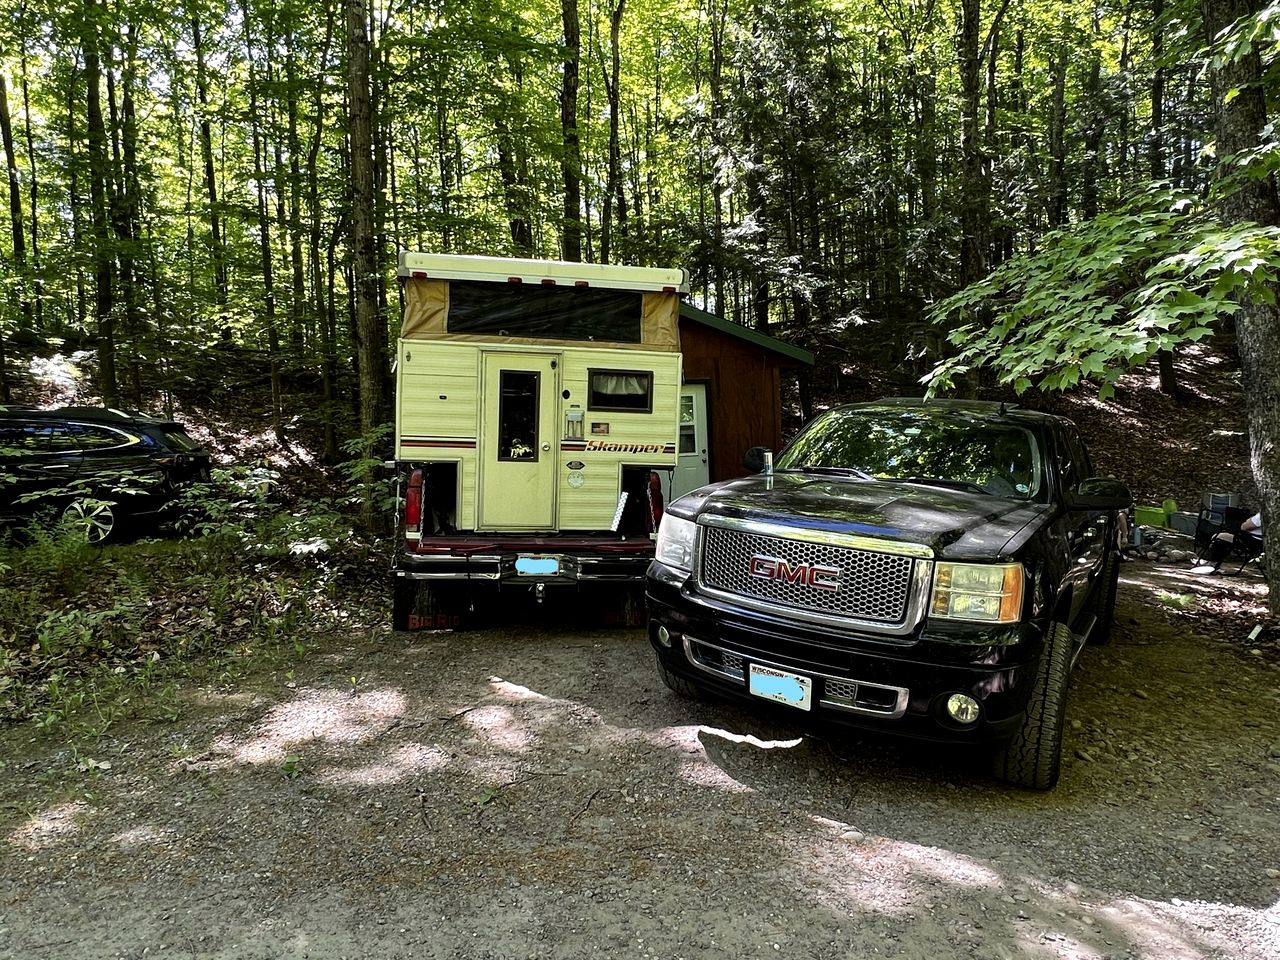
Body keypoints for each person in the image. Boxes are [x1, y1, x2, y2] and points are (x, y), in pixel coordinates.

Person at [1193, 511, 1263, 573]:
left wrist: (1249, 520)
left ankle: (1212, 563)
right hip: (1258, 542)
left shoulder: (1262, 515)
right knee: (1224, 534)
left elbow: (1244, 527)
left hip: (1250, 541)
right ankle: (1212, 562)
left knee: (1218, 537)